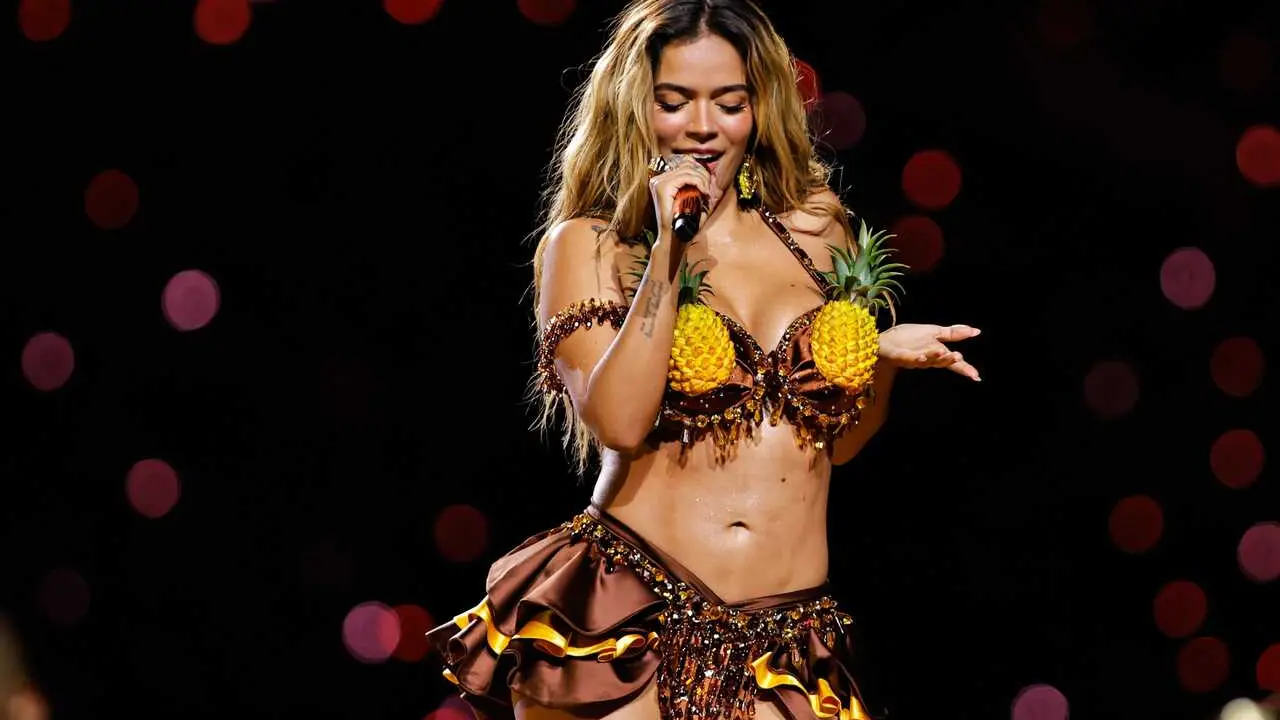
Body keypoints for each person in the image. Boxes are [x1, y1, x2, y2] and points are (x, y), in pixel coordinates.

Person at [426, 1, 981, 719]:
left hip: (787, 636)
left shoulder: (814, 228)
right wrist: (669, 249)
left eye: (729, 102)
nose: (702, 127)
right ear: (636, 106)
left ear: (759, 108)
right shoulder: (592, 244)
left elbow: (840, 444)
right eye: (674, 101)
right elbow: (620, 422)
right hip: (627, 615)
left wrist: (878, 361)